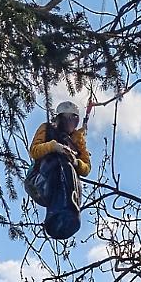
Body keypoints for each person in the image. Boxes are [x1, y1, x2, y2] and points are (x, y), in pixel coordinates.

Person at [28, 100, 91, 239]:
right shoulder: (48, 129)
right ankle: (55, 212)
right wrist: (53, 147)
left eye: (75, 120)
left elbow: (86, 168)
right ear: (61, 118)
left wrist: (75, 162)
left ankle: (69, 210)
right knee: (59, 162)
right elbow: (34, 151)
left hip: (67, 182)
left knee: (67, 167)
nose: (71, 124)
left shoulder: (77, 140)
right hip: (41, 178)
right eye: (68, 119)